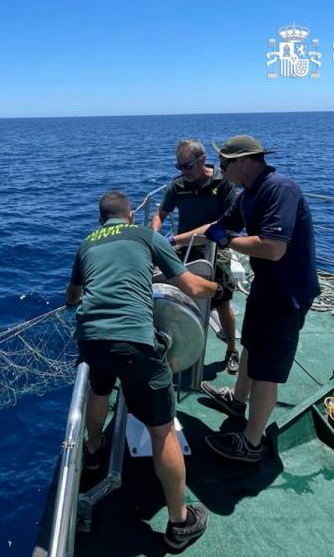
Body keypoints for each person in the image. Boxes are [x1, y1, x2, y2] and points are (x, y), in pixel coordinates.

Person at [66, 190, 221, 549]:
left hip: (91, 338)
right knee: (162, 431)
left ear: (100, 219)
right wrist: (219, 287)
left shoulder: (87, 244)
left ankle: (93, 451)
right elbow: (192, 285)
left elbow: (73, 295)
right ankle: (179, 523)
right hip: (135, 342)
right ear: (131, 215)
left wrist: (75, 299)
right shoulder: (145, 236)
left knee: (99, 388)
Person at [175, 135, 319, 463]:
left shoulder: (279, 189)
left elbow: (273, 247)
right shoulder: (250, 194)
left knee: (267, 368)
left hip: (287, 293)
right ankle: (237, 401)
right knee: (251, 345)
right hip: (266, 286)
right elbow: (216, 226)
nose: (220, 170)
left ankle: (251, 444)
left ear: (242, 162)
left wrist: (227, 240)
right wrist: (170, 241)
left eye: (223, 164)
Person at [151, 139, 241, 374]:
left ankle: (232, 349)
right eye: (179, 167)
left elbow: (221, 225)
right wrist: (153, 235)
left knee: (222, 299)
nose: (183, 171)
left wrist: (173, 240)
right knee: (163, 284)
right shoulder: (177, 185)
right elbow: (161, 213)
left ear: (202, 160)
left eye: (187, 166)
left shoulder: (223, 183)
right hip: (184, 245)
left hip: (216, 245)